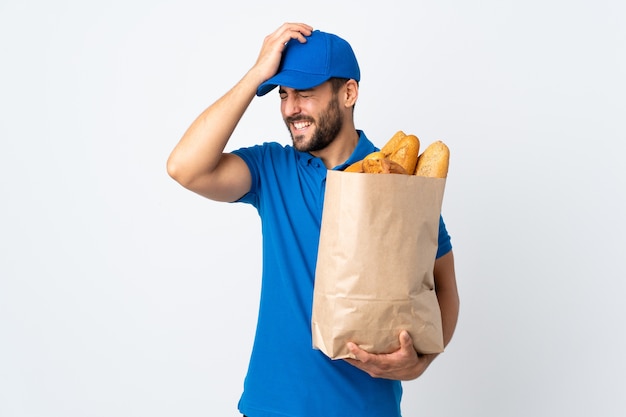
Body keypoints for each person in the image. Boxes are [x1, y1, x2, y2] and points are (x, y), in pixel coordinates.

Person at [167, 22, 459, 417]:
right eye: (283, 95)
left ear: (349, 92)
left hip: (364, 408)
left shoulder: (397, 181)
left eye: (304, 94)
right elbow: (185, 168)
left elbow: (444, 288)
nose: (290, 109)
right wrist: (256, 74)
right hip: (270, 407)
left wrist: (421, 361)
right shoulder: (272, 168)